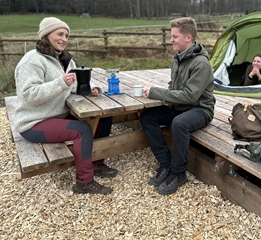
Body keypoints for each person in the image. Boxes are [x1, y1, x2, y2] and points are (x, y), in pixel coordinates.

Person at [14, 17, 118, 195]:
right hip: (34, 122)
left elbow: (72, 84)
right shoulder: (32, 61)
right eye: (60, 34)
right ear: (46, 35)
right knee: (82, 130)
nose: (64, 39)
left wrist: (90, 88)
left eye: (67, 35)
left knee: (103, 117)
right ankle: (84, 182)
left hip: (57, 116)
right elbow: (29, 95)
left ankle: (96, 163)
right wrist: (61, 83)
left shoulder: (65, 59)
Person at [140, 17, 215, 195]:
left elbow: (190, 96)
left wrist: (155, 92)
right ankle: (166, 164)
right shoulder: (178, 58)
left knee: (179, 123)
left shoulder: (201, 63)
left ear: (188, 37)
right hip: (180, 107)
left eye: (175, 36)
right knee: (147, 117)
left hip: (200, 109)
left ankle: (178, 173)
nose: (171, 40)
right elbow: (174, 87)